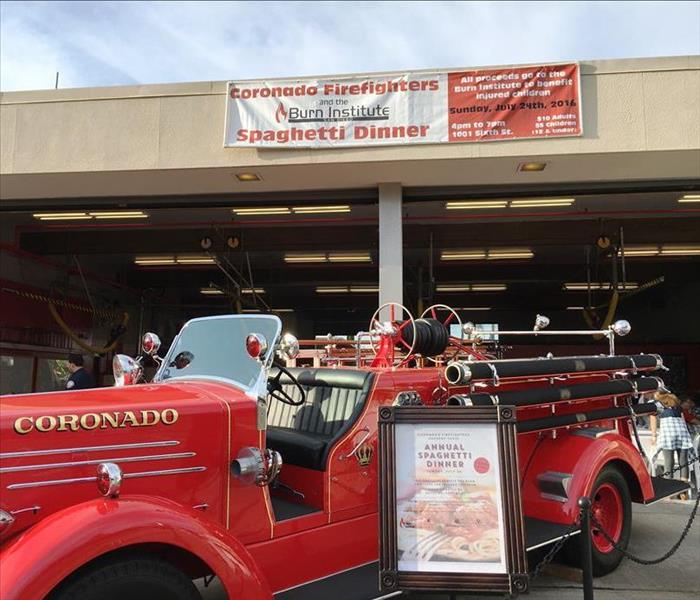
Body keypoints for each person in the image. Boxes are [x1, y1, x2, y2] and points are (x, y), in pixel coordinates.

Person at [650, 391, 692, 499]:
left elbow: (653, 420)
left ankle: (668, 492)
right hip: (682, 433)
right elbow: (682, 419)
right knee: (683, 461)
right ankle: (683, 491)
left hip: (668, 434)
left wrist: (654, 435)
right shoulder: (676, 405)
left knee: (669, 462)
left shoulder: (656, 405)